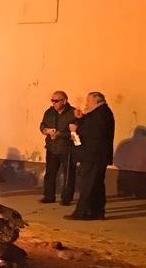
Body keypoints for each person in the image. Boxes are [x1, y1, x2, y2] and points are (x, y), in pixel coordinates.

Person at [67, 92, 116, 221]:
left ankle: (83, 212)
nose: (86, 104)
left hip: (92, 156)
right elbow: (90, 127)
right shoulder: (100, 113)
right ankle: (97, 211)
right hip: (95, 155)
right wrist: (80, 118)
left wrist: (75, 129)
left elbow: (93, 133)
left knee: (87, 185)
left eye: (88, 101)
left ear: (96, 101)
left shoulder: (101, 114)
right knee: (96, 185)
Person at [40, 90, 77, 205]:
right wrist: (45, 130)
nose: (53, 103)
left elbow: (76, 132)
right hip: (52, 147)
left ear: (64, 101)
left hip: (67, 148)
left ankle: (66, 198)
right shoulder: (49, 112)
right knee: (50, 173)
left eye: (56, 101)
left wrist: (60, 134)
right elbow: (42, 125)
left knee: (68, 175)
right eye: (52, 100)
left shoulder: (73, 113)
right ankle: (49, 196)